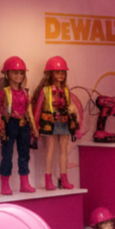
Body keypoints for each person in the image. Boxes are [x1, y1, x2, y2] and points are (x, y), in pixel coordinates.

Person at [32, 56, 80, 191]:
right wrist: (35, 127)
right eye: (57, 72)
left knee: (64, 151)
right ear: (51, 73)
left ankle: (64, 178)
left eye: (63, 72)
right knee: (50, 151)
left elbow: (71, 106)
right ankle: (48, 179)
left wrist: (74, 120)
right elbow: (38, 109)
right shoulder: (46, 90)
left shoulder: (65, 90)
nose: (60, 75)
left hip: (63, 122)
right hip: (49, 122)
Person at [0, 56, 38, 196]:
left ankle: (24, 182)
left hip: (23, 124)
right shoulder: (4, 92)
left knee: (24, 154)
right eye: (15, 73)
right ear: (7, 74)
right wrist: (0, 123)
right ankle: (5, 184)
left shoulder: (25, 92)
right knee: (7, 154)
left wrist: (34, 128)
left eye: (21, 73)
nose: (19, 76)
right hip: (10, 124)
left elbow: (29, 110)